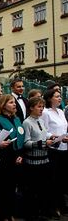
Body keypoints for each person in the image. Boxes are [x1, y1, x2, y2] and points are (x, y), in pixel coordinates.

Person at [22, 97, 54, 220]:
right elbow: (26, 143)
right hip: (33, 162)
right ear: (31, 108)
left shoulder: (40, 121)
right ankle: (32, 214)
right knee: (33, 190)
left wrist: (52, 139)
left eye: (42, 107)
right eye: (39, 107)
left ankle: (42, 211)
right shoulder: (27, 122)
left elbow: (44, 134)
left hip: (44, 159)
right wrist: (43, 143)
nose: (41, 109)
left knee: (43, 189)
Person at [0, 94, 24, 221]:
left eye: (14, 102)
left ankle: (13, 212)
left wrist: (20, 155)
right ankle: (6, 214)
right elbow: (4, 141)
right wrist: (14, 156)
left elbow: (21, 137)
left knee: (15, 188)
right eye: (11, 102)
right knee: (6, 188)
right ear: (3, 105)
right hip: (7, 159)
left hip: (20, 156)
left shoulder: (17, 119)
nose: (14, 105)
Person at [41, 89, 68, 218]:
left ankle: (63, 205)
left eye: (60, 96)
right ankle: (53, 207)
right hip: (53, 149)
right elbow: (44, 131)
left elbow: (64, 128)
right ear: (49, 98)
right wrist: (54, 136)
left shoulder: (61, 112)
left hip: (64, 148)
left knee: (63, 179)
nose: (59, 98)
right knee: (54, 179)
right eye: (57, 96)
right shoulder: (45, 113)